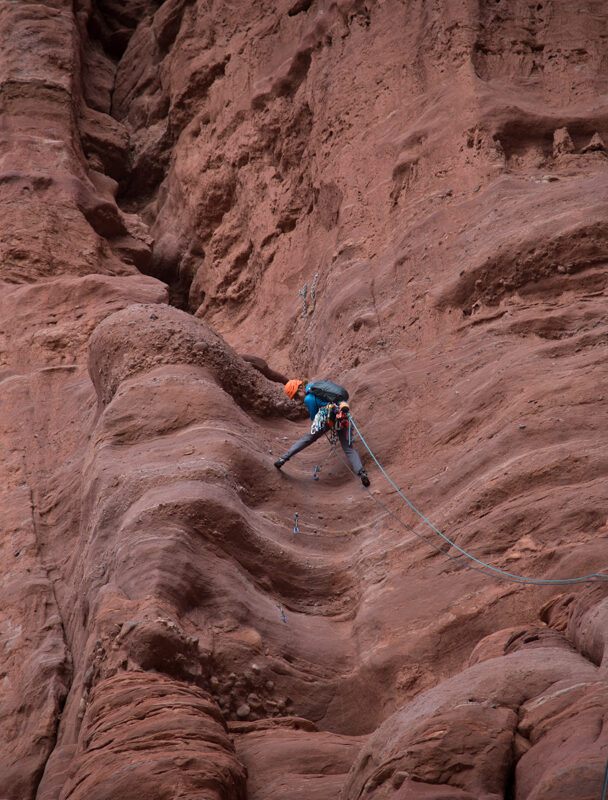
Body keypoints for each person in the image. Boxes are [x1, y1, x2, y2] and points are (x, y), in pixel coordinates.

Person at [274, 379, 371, 487]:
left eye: (297, 396)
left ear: (301, 388)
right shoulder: (315, 386)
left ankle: (283, 458)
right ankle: (362, 473)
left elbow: (314, 418)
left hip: (329, 420)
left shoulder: (308, 399)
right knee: (348, 448)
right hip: (341, 415)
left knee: (308, 439)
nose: (297, 400)